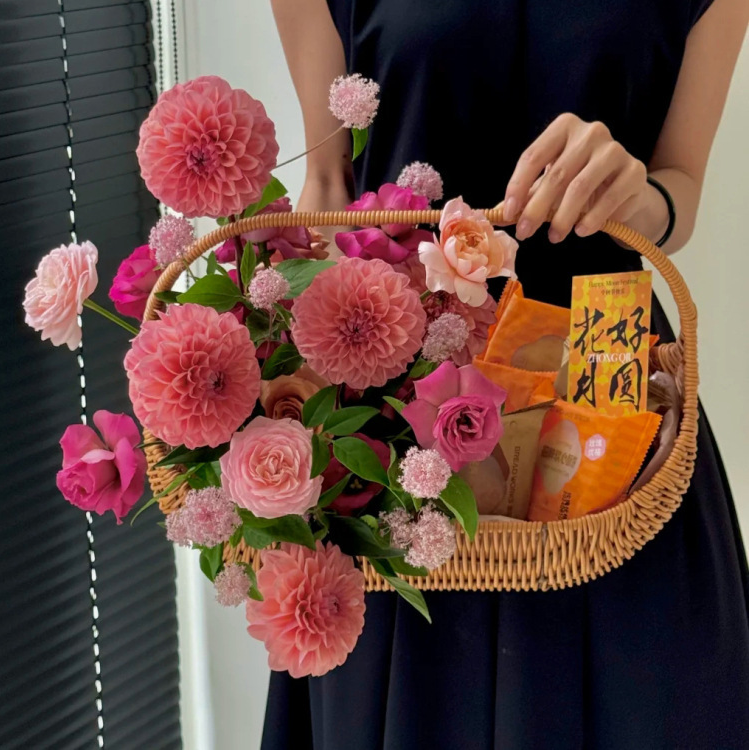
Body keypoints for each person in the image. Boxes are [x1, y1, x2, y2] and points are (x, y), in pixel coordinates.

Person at [264, 1, 749, 747]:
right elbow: (329, 186)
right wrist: (277, 401)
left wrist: (640, 195)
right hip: (397, 437)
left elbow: (677, 185)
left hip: (610, 416)